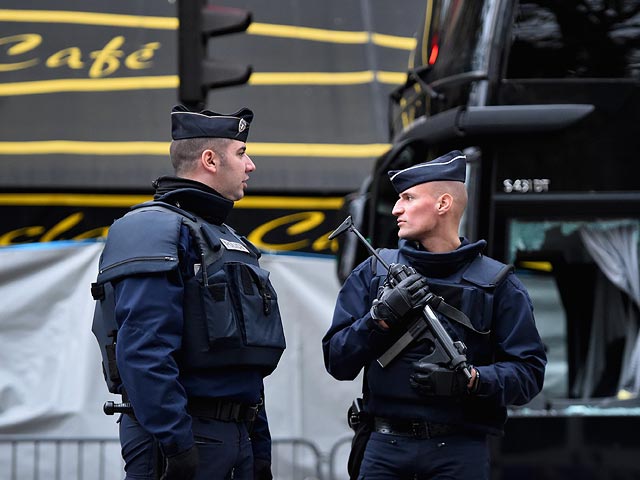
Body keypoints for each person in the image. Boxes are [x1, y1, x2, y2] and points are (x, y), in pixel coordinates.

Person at [322, 150, 547, 479]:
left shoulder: (498, 284)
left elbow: (528, 373)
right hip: (385, 449)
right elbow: (336, 361)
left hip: (458, 452)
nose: (397, 208)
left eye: (409, 198)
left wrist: (473, 380)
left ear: (443, 204)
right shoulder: (373, 272)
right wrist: (377, 321)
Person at [91, 105, 286, 480]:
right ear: (210, 160)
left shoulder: (227, 238)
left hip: (235, 434)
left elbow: (242, 360)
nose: (251, 166)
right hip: (185, 435)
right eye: (242, 153)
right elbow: (144, 351)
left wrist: (259, 446)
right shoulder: (151, 229)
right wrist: (177, 445)